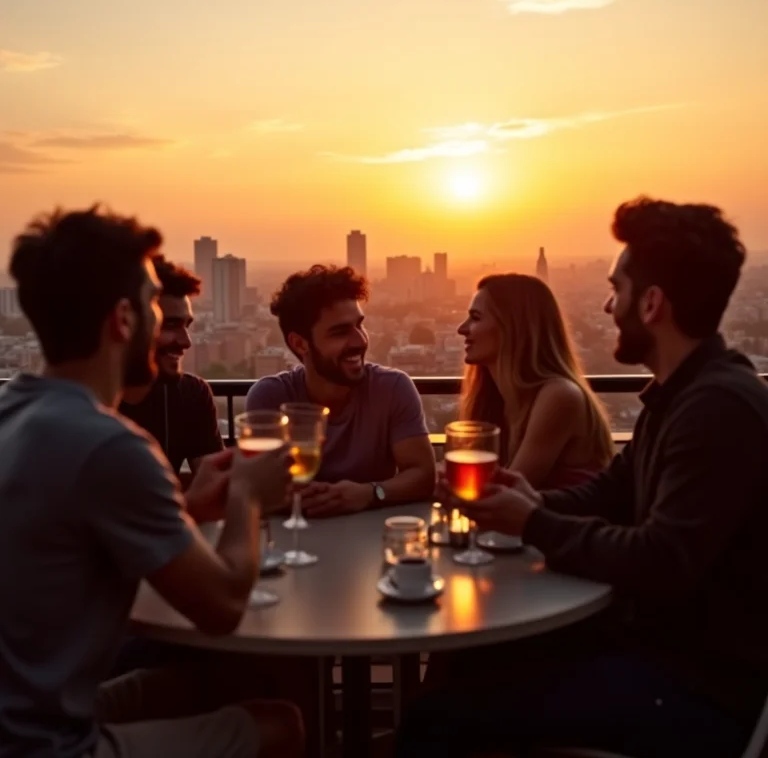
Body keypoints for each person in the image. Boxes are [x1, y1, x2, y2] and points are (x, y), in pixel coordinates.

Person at [396, 197, 768, 758]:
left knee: (435, 721)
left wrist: (535, 521)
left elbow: (662, 560)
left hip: (695, 687)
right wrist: (527, 497)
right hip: (660, 655)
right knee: (469, 664)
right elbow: (610, 490)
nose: (605, 304)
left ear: (651, 304)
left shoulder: (715, 407)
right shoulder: (682, 397)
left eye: (616, 289)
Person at [0, 206, 303, 758]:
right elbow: (223, 606)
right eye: (150, 305)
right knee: (281, 725)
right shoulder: (109, 445)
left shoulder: (12, 411)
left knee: (227, 683)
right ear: (123, 319)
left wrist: (188, 508)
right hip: (45, 742)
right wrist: (247, 497)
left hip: (27, 705)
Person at [246, 264, 435, 517]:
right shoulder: (271, 397)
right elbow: (260, 489)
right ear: (300, 344)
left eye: (360, 325)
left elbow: (423, 475)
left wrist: (368, 493)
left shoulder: (392, 388)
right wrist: (329, 499)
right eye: (340, 332)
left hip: (370, 542)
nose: (360, 340)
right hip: (293, 540)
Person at [456, 273, 613, 488]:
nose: (462, 329)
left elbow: (509, 493)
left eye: (476, 317)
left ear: (512, 327)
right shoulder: (496, 399)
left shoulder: (559, 395)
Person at [120, 255, 223, 484]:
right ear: (124, 322)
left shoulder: (191, 395)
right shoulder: (77, 409)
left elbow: (215, 488)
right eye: (170, 324)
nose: (186, 341)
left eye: (186, 325)